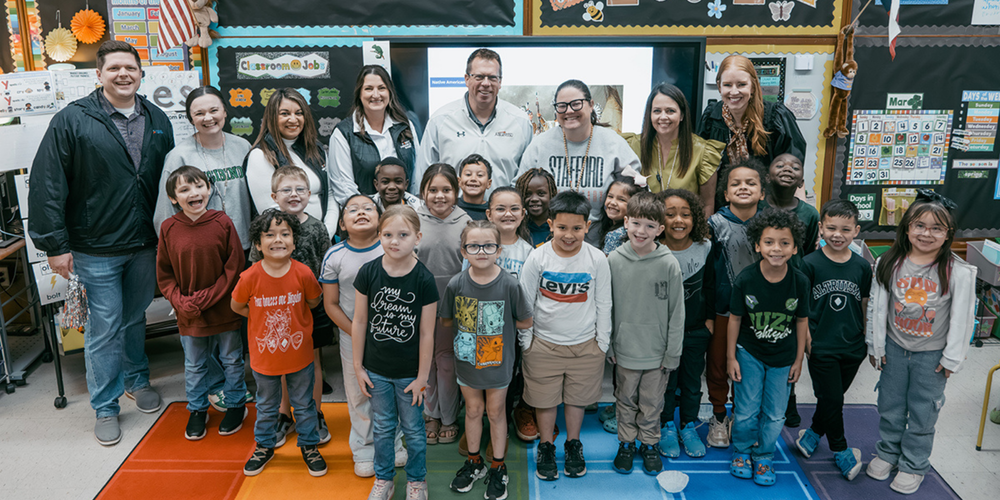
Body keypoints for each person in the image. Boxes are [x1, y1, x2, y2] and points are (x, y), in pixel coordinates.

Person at [29, 40, 173, 445]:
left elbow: (169, 183)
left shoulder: (158, 118)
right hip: (94, 247)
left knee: (134, 317)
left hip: (144, 243)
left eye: (130, 68)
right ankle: (106, 406)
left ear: (141, 73)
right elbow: (47, 184)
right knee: (104, 326)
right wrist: (55, 245)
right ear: (99, 74)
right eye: (114, 69)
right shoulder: (72, 120)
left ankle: (136, 379)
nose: (123, 74)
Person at [864, 192, 977, 495]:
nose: (927, 233)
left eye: (936, 228)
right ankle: (888, 452)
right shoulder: (889, 262)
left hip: (932, 356)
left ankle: (913, 463)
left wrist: (952, 359)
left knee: (923, 412)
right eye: (920, 226)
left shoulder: (957, 271)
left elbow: (963, 318)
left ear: (948, 234)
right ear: (907, 228)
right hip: (894, 351)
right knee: (890, 405)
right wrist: (875, 346)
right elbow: (877, 308)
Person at [519, 191, 612, 481]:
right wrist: (527, 343)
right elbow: (526, 302)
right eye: (562, 228)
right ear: (550, 225)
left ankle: (573, 444)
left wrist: (602, 344)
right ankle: (546, 447)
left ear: (588, 225)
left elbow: (604, 303)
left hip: (586, 346)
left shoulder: (597, 259)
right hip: (543, 344)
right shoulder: (537, 257)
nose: (569, 235)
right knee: (544, 400)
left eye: (576, 228)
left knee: (576, 399)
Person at [441, 220, 533, 499]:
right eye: (474, 246)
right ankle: (473, 461)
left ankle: (498, 466)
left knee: (495, 413)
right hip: (467, 364)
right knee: (472, 410)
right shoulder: (456, 283)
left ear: (499, 250)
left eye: (488, 245)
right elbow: (447, 321)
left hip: (498, 365)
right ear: (463, 251)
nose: (481, 251)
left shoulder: (509, 283)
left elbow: (525, 320)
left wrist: (497, 331)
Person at [232, 210, 327, 478]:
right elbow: (237, 306)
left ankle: (309, 445)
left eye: (285, 234)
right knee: (266, 406)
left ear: (294, 242)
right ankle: (264, 446)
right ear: (258, 245)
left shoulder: (304, 273)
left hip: (300, 356)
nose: (278, 239)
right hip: (264, 359)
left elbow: (313, 302)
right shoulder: (249, 277)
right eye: (270, 235)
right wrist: (261, 318)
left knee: (305, 404)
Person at [353, 205, 438, 500]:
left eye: (403, 234)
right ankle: (384, 479)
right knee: (383, 428)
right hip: (376, 370)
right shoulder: (369, 272)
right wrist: (358, 366)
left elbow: (428, 333)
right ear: (379, 236)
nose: (394, 241)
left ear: (417, 237)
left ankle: (416, 481)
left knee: (414, 431)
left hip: (409, 375)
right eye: (388, 234)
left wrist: (422, 377)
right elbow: (360, 321)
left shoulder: (424, 279)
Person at [156, 167, 246, 440]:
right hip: (189, 312)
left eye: (198, 187)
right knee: (194, 364)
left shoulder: (223, 222)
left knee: (232, 360)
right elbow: (164, 274)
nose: (193, 193)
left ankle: (235, 405)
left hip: (222, 308)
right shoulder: (169, 228)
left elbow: (234, 268)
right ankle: (197, 409)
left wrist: (207, 298)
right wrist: (179, 301)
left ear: (209, 189)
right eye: (184, 190)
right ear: (173, 198)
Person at [321, 194, 408, 477]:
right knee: (359, 393)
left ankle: (393, 444)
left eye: (368, 208)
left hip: (394, 337)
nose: (360, 212)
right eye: (352, 209)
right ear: (342, 223)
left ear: (380, 219)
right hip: (352, 338)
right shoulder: (335, 255)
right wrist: (356, 333)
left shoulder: (393, 249)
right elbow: (330, 304)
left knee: (391, 391)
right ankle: (364, 449)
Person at [248, 166, 334, 445]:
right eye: (286, 189)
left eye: (300, 189)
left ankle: (314, 413)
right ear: (274, 195)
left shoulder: (317, 227)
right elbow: (255, 266)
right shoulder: (265, 225)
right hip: (276, 309)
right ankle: (284, 415)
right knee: (281, 361)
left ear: (310, 194)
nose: (293, 195)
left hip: (312, 306)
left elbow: (325, 265)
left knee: (312, 362)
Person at [727, 208, 809, 487]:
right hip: (749, 354)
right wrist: (731, 357)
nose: (777, 249)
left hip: (783, 358)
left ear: (795, 247)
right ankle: (741, 451)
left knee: (775, 413)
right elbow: (735, 319)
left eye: (784, 243)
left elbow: (801, 321)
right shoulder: (746, 279)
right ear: (757, 245)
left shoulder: (800, 281)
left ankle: (764, 455)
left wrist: (799, 360)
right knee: (747, 409)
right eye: (769, 242)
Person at [608, 192, 684, 476]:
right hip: (625, 349)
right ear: (625, 222)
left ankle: (649, 444)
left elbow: (677, 313)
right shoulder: (614, 260)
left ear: (660, 230)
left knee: (652, 403)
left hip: (657, 353)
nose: (642, 231)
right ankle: (626, 443)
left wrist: (672, 352)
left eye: (650, 226)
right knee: (625, 399)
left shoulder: (668, 263)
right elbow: (608, 307)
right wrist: (610, 345)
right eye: (636, 223)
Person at [795, 199, 871, 480]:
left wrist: (865, 338)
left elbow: (864, 303)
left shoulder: (863, 267)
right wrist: (807, 342)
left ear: (856, 231)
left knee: (832, 399)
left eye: (845, 229)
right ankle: (840, 449)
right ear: (821, 229)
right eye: (831, 228)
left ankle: (813, 432)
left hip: (853, 346)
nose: (838, 234)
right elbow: (801, 309)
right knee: (833, 398)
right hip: (821, 346)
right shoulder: (808, 264)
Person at [705, 159, 767, 449]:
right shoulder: (714, 225)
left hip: (761, 311)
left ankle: (743, 418)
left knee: (750, 366)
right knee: (718, 364)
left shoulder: (772, 224)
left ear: (762, 192)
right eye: (736, 183)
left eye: (751, 183)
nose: (743, 187)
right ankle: (718, 416)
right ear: (726, 193)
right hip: (723, 308)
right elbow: (707, 273)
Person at [517, 79, 640, 221]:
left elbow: (636, 194)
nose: (569, 111)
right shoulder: (540, 144)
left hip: (600, 240)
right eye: (561, 106)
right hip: (547, 239)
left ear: (591, 105)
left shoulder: (614, 143)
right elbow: (518, 190)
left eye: (576, 104)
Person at [418, 48, 533, 192]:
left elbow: (528, 178)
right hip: (451, 213)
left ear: (500, 82)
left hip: (504, 213)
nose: (486, 83)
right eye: (479, 76)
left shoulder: (520, 122)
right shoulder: (440, 120)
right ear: (466, 79)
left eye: (492, 77)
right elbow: (424, 178)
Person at [154, 86, 253, 251]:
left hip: (244, 246)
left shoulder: (243, 147)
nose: (208, 118)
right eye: (199, 113)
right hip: (202, 250)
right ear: (191, 119)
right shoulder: (179, 156)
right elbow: (165, 213)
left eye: (214, 110)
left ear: (225, 112)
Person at [656, 189, 715, 459]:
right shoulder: (654, 250)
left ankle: (687, 425)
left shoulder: (706, 248)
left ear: (695, 218)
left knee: (691, 382)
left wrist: (710, 321)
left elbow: (713, 286)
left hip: (695, 331)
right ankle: (666, 424)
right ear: (659, 218)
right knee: (666, 383)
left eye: (685, 214)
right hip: (662, 334)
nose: (678, 220)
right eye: (670, 214)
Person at [762, 152, 819, 427]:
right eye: (780, 164)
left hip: (793, 287)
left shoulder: (809, 213)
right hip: (762, 285)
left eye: (795, 166)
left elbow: (807, 254)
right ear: (767, 176)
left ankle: (790, 395)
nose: (788, 169)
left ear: (802, 180)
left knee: (789, 342)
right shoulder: (759, 206)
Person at [416, 164, 472, 445]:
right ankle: (430, 414)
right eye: (433, 190)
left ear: (456, 191)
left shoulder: (465, 223)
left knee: (447, 362)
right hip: (421, 305)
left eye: (446, 190)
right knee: (426, 364)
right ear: (423, 191)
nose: (439, 196)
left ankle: (449, 416)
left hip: (453, 307)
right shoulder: (413, 220)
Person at [246, 87, 338, 236]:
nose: (293, 119)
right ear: (272, 117)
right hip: (286, 244)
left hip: (322, 240)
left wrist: (325, 233)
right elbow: (270, 211)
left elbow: (331, 194)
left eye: (299, 113)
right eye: (285, 114)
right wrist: (306, 240)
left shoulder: (317, 150)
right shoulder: (261, 155)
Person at [697, 54, 805, 180]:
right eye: (727, 85)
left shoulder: (776, 117)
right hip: (723, 196)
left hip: (767, 196)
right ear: (719, 86)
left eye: (741, 84)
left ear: (753, 86)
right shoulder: (711, 117)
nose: (734, 92)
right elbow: (703, 169)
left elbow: (793, 168)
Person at [624, 83, 724, 214]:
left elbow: (707, 206)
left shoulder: (703, 152)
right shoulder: (632, 145)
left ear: (682, 115)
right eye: (657, 111)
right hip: (643, 231)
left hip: (684, 231)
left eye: (670, 111)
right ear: (649, 115)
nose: (663, 117)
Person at [330, 65, 421, 204]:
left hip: (405, 215)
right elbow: (344, 188)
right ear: (359, 94)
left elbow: (417, 176)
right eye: (368, 89)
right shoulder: (343, 133)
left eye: (381, 88)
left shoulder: (405, 125)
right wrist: (373, 210)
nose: (376, 94)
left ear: (390, 92)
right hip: (365, 217)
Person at [585, 175, 642, 254]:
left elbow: (606, 263)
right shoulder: (612, 226)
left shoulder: (616, 235)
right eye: (610, 196)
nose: (612, 202)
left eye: (621, 199)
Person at [515, 167, 557, 247]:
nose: (534, 199)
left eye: (541, 193)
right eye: (527, 194)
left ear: (552, 194)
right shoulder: (517, 227)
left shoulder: (559, 227)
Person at [457, 154, 493, 221]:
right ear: (459, 181)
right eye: (468, 174)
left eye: (480, 175)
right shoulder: (450, 207)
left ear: (489, 183)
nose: (473, 178)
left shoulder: (493, 211)